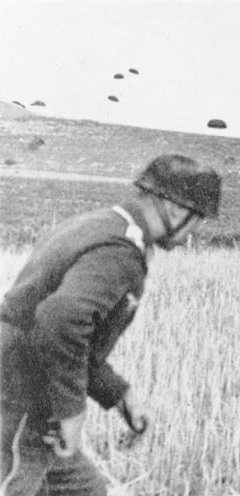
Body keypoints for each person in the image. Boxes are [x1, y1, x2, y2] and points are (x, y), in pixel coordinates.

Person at [1, 154, 221, 495]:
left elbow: (73, 337)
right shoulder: (118, 249)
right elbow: (59, 321)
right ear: (178, 209)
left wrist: (119, 395)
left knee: (85, 490)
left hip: (29, 392)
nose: (194, 232)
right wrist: (71, 412)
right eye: (199, 220)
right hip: (18, 400)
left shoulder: (102, 225)